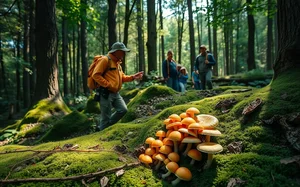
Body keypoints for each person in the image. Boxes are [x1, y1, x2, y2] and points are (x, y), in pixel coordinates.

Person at [91, 42, 144, 131]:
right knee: (105, 117)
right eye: (122, 51)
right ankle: (101, 137)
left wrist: (133, 77)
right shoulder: (105, 60)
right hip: (105, 93)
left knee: (123, 110)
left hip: (116, 93)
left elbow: (122, 77)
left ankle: (104, 128)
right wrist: (107, 84)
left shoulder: (117, 63)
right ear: (116, 51)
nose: (124, 53)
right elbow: (95, 75)